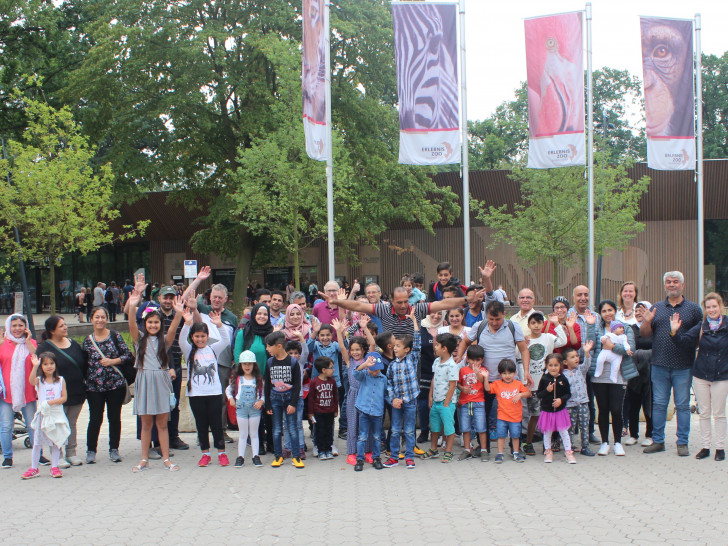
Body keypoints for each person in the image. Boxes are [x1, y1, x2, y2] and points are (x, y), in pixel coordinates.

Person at [455, 300, 533, 454]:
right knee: (482, 414)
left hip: (508, 379)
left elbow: (524, 350)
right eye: (491, 319)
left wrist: (526, 371)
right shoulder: (480, 326)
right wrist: (460, 357)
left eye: (498, 319)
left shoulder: (512, 326)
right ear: (486, 316)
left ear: (504, 314)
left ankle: (514, 446)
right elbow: (465, 341)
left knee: (513, 413)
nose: (495, 322)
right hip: (484, 380)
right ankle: (484, 447)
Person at [640, 271, 703, 456]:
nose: (672, 285)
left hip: (683, 365)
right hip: (659, 364)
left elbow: (698, 338)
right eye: (668, 282)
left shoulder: (693, 309)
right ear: (665, 285)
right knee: (659, 404)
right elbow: (644, 334)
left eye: (676, 282)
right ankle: (658, 441)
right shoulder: (657, 308)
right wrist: (647, 322)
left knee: (682, 405)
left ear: (683, 285)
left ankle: (682, 442)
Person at [127, 276, 178, 472]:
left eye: (156, 322)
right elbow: (131, 325)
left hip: (161, 381)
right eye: (150, 323)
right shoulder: (140, 340)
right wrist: (133, 305)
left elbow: (173, 329)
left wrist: (179, 313)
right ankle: (144, 458)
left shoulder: (164, 341)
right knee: (146, 424)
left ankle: (166, 458)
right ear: (145, 324)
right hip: (145, 381)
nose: (153, 325)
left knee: (162, 424)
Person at [671, 292, 728, 461]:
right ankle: (705, 447)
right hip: (701, 375)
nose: (711, 310)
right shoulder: (701, 327)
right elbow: (684, 341)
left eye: (714, 306)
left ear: (721, 306)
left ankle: (720, 448)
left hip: (722, 375)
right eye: (708, 307)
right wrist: (674, 332)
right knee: (704, 413)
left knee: (719, 414)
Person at [175, 301, 231, 468]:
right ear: (192, 337)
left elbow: (226, 340)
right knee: (201, 425)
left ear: (207, 337)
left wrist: (219, 325)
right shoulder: (189, 350)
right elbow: (180, 340)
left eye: (203, 336)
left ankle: (221, 452)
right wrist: (187, 323)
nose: (200, 339)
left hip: (213, 393)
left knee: (216, 424)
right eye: (196, 336)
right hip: (196, 395)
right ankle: (205, 454)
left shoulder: (214, 349)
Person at [586, 300, 639, 457]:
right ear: (600, 313)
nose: (608, 313)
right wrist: (590, 326)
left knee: (616, 409)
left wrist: (612, 347)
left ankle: (617, 443)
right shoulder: (598, 328)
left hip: (618, 374)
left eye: (610, 310)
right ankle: (604, 443)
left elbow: (631, 349)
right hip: (599, 375)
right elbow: (590, 344)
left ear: (615, 311)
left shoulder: (625, 328)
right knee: (603, 409)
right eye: (604, 311)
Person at [82, 306, 134, 464]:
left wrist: (113, 361)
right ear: (91, 319)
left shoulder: (115, 336)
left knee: (114, 417)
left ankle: (114, 449)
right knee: (95, 418)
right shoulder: (87, 341)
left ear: (107, 319)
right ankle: (91, 450)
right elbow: (83, 363)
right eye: (96, 317)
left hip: (114, 385)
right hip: (94, 387)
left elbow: (127, 355)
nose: (100, 320)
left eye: (103, 317)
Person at [36, 316, 87, 468]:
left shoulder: (73, 344)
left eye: (65, 325)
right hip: (56, 395)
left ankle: (71, 453)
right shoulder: (45, 348)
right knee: (57, 425)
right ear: (52, 330)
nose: (65, 327)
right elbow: (40, 370)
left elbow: (83, 364)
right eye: (61, 326)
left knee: (71, 423)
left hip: (77, 391)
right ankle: (58, 455)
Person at [521, 312, 566, 456]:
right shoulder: (525, 341)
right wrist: (522, 344)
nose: (536, 325)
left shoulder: (548, 338)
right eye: (533, 323)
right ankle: (527, 442)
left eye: (539, 322)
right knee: (528, 415)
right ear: (528, 325)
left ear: (543, 324)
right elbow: (518, 356)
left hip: (546, 385)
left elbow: (563, 341)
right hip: (529, 384)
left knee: (541, 414)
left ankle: (547, 443)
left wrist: (556, 324)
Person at [383, 309, 421, 469]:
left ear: (407, 349)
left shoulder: (412, 359)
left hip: (411, 401)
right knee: (395, 429)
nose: (395, 348)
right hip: (397, 403)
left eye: (398, 346)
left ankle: (409, 457)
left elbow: (417, 342)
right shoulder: (392, 365)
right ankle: (393, 457)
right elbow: (389, 384)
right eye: (394, 346)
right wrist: (393, 399)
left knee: (410, 431)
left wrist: (414, 321)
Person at [22, 352, 70, 479]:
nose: (49, 366)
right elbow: (31, 381)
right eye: (45, 364)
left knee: (55, 442)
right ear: (41, 366)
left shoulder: (61, 380)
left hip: (56, 416)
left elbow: (64, 397)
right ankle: (34, 467)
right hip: (43, 416)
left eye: (51, 363)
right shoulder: (40, 381)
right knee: (37, 443)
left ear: (55, 364)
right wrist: (34, 366)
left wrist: (50, 403)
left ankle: (54, 466)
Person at [234, 302, 273, 454]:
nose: (262, 317)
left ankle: (271, 443)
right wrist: (243, 376)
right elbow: (238, 355)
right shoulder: (244, 333)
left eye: (265, 314)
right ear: (254, 315)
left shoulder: (272, 332)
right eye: (259, 314)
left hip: (268, 379)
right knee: (255, 412)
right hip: (250, 380)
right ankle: (259, 444)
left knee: (269, 412)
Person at [0, 314, 38, 469]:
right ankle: (8, 456)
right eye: (14, 325)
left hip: (28, 391)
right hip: (7, 393)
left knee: (32, 425)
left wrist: (28, 341)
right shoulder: (2, 345)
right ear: (9, 327)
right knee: (6, 426)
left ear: (26, 327)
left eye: (20, 325)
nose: (17, 329)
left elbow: (36, 358)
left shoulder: (32, 343)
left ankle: (38, 455)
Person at [264, 331, 304, 468]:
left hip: (289, 399)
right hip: (275, 399)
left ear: (279, 346)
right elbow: (267, 385)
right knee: (276, 429)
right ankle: (278, 456)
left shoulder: (292, 362)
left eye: (269, 346)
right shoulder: (270, 362)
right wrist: (268, 404)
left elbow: (297, 384)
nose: (267, 349)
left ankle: (296, 457)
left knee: (292, 428)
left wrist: (293, 403)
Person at [420, 333, 459, 463]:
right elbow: (434, 379)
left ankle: (448, 452)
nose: (434, 347)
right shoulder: (436, 361)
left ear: (445, 349)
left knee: (448, 428)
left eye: (437, 345)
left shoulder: (452, 366)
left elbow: (453, 385)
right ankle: (433, 449)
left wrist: (447, 403)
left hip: (446, 403)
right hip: (436, 401)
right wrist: (430, 396)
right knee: (435, 427)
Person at [308, 322, 344, 455]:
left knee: (330, 420)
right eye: (322, 335)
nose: (325, 338)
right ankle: (317, 445)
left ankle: (330, 444)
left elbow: (343, 348)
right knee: (317, 420)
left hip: (333, 384)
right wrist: (314, 332)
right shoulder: (316, 345)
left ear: (332, 335)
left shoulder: (334, 345)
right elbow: (308, 347)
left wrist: (340, 333)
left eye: (328, 335)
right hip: (317, 384)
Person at [486, 359, 531, 463]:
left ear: (515, 373)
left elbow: (528, 393)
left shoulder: (518, 384)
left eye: (510, 373)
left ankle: (515, 453)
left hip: (515, 417)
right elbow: (488, 389)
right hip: (502, 417)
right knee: (501, 436)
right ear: (500, 374)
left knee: (515, 436)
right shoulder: (497, 384)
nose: (507, 376)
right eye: (504, 373)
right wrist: (485, 378)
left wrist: (520, 394)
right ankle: (500, 453)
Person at [226, 351, 264, 468]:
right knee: (243, 434)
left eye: (250, 364)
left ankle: (255, 456)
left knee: (254, 434)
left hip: (254, 410)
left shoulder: (258, 380)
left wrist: (261, 401)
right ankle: (240, 457)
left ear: (254, 365)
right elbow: (228, 390)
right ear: (241, 365)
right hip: (241, 409)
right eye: (245, 364)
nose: (247, 366)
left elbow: (264, 393)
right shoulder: (238, 379)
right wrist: (231, 399)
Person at [624, 301, 654, 447]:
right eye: (636, 310)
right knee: (633, 405)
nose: (638, 313)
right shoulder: (630, 329)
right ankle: (633, 434)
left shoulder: (654, 328)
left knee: (649, 404)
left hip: (651, 373)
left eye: (642, 310)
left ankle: (650, 435)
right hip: (634, 372)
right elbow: (628, 348)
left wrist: (640, 354)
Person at [536, 353, 576, 464]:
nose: (553, 368)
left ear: (560, 366)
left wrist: (561, 400)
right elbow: (539, 394)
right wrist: (547, 391)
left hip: (560, 411)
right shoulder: (544, 379)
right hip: (547, 411)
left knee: (564, 431)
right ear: (547, 366)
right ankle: (548, 452)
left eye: (556, 365)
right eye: (551, 365)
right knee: (547, 432)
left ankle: (568, 452)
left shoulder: (563, 378)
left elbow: (568, 393)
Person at [353, 353, 386, 471]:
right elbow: (355, 373)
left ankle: (376, 457)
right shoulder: (364, 375)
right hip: (364, 410)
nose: (375, 372)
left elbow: (386, 394)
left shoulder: (383, 379)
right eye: (372, 369)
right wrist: (364, 365)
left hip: (377, 412)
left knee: (377, 436)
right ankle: (360, 459)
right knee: (362, 436)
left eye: (377, 369)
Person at [456, 344, 488, 461]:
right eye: (472, 359)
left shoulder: (483, 370)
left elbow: (482, 381)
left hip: (479, 402)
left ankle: (484, 450)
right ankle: (467, 449)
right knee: (465, 427)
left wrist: (477, 372)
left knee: (481, 427)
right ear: (467, 359)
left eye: (478, 360)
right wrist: (462, 388)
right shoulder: (463, 370)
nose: (475, 362)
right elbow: (458, 383)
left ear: (482, 360)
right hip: (465, 402)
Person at [562, 344, 595, 456]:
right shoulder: (563, 375)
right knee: (569, 427)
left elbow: (587, 363)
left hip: (583, 403)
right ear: (565, 362)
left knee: (584, 425)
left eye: (576, 356)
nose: (576, 358)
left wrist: (586, 352)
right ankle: (569, 447)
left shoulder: (581, 370)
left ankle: (585, 447)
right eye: (572, 357)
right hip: (569, 405)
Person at [308, 356, 339, 461]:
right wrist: (311, 413)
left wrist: (335, 409)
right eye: (331, 368)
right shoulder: (314, 382)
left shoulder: (333, 382)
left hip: (330, 411)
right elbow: (311, 398)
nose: (333, 370)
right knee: (320, 431)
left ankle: (328, 449)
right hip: (318, 412)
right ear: (323, 370)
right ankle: (321, 450)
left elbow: (335, 396)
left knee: (329, 431)